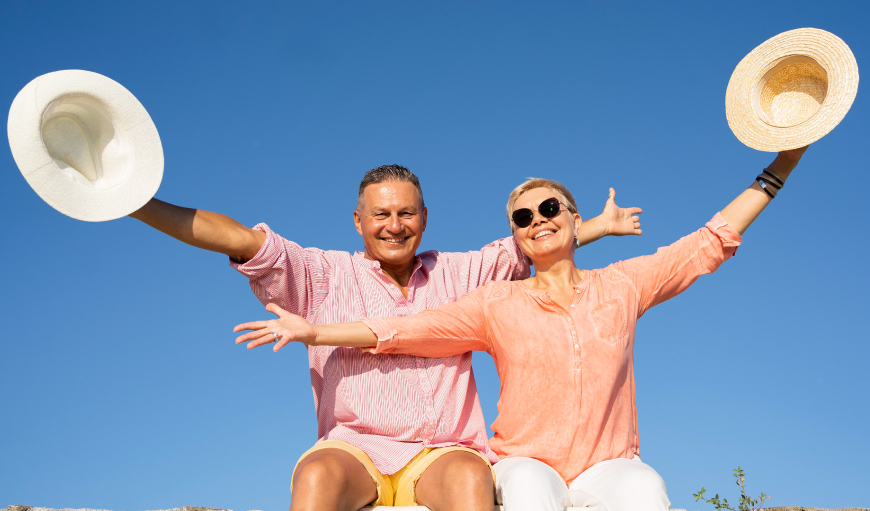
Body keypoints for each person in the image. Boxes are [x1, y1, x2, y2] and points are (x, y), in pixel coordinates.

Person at [234, 148, 807, 511]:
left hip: (609, 464)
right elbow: (403, 329)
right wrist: (316, 333)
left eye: (550, 209)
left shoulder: (623, 286)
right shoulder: (494, 303)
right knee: (529, 495)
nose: (538, 221)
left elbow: (708, 245)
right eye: (523, 217)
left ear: (574, 221)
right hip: (526, 462)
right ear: (516, 234)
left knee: (648, 493)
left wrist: (780, 167)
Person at [130, 164, 642, 511]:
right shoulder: (319, 273)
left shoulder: (463, 272)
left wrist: (593, 225)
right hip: (355, 448)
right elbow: (238, 237)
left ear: (424, 218)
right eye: (381, 214)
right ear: (358, 221)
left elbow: (537, 238)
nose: (394, 226)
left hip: (442, 451)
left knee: (471, 480)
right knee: (316, 478)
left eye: (406, 213)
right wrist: (136, 204)